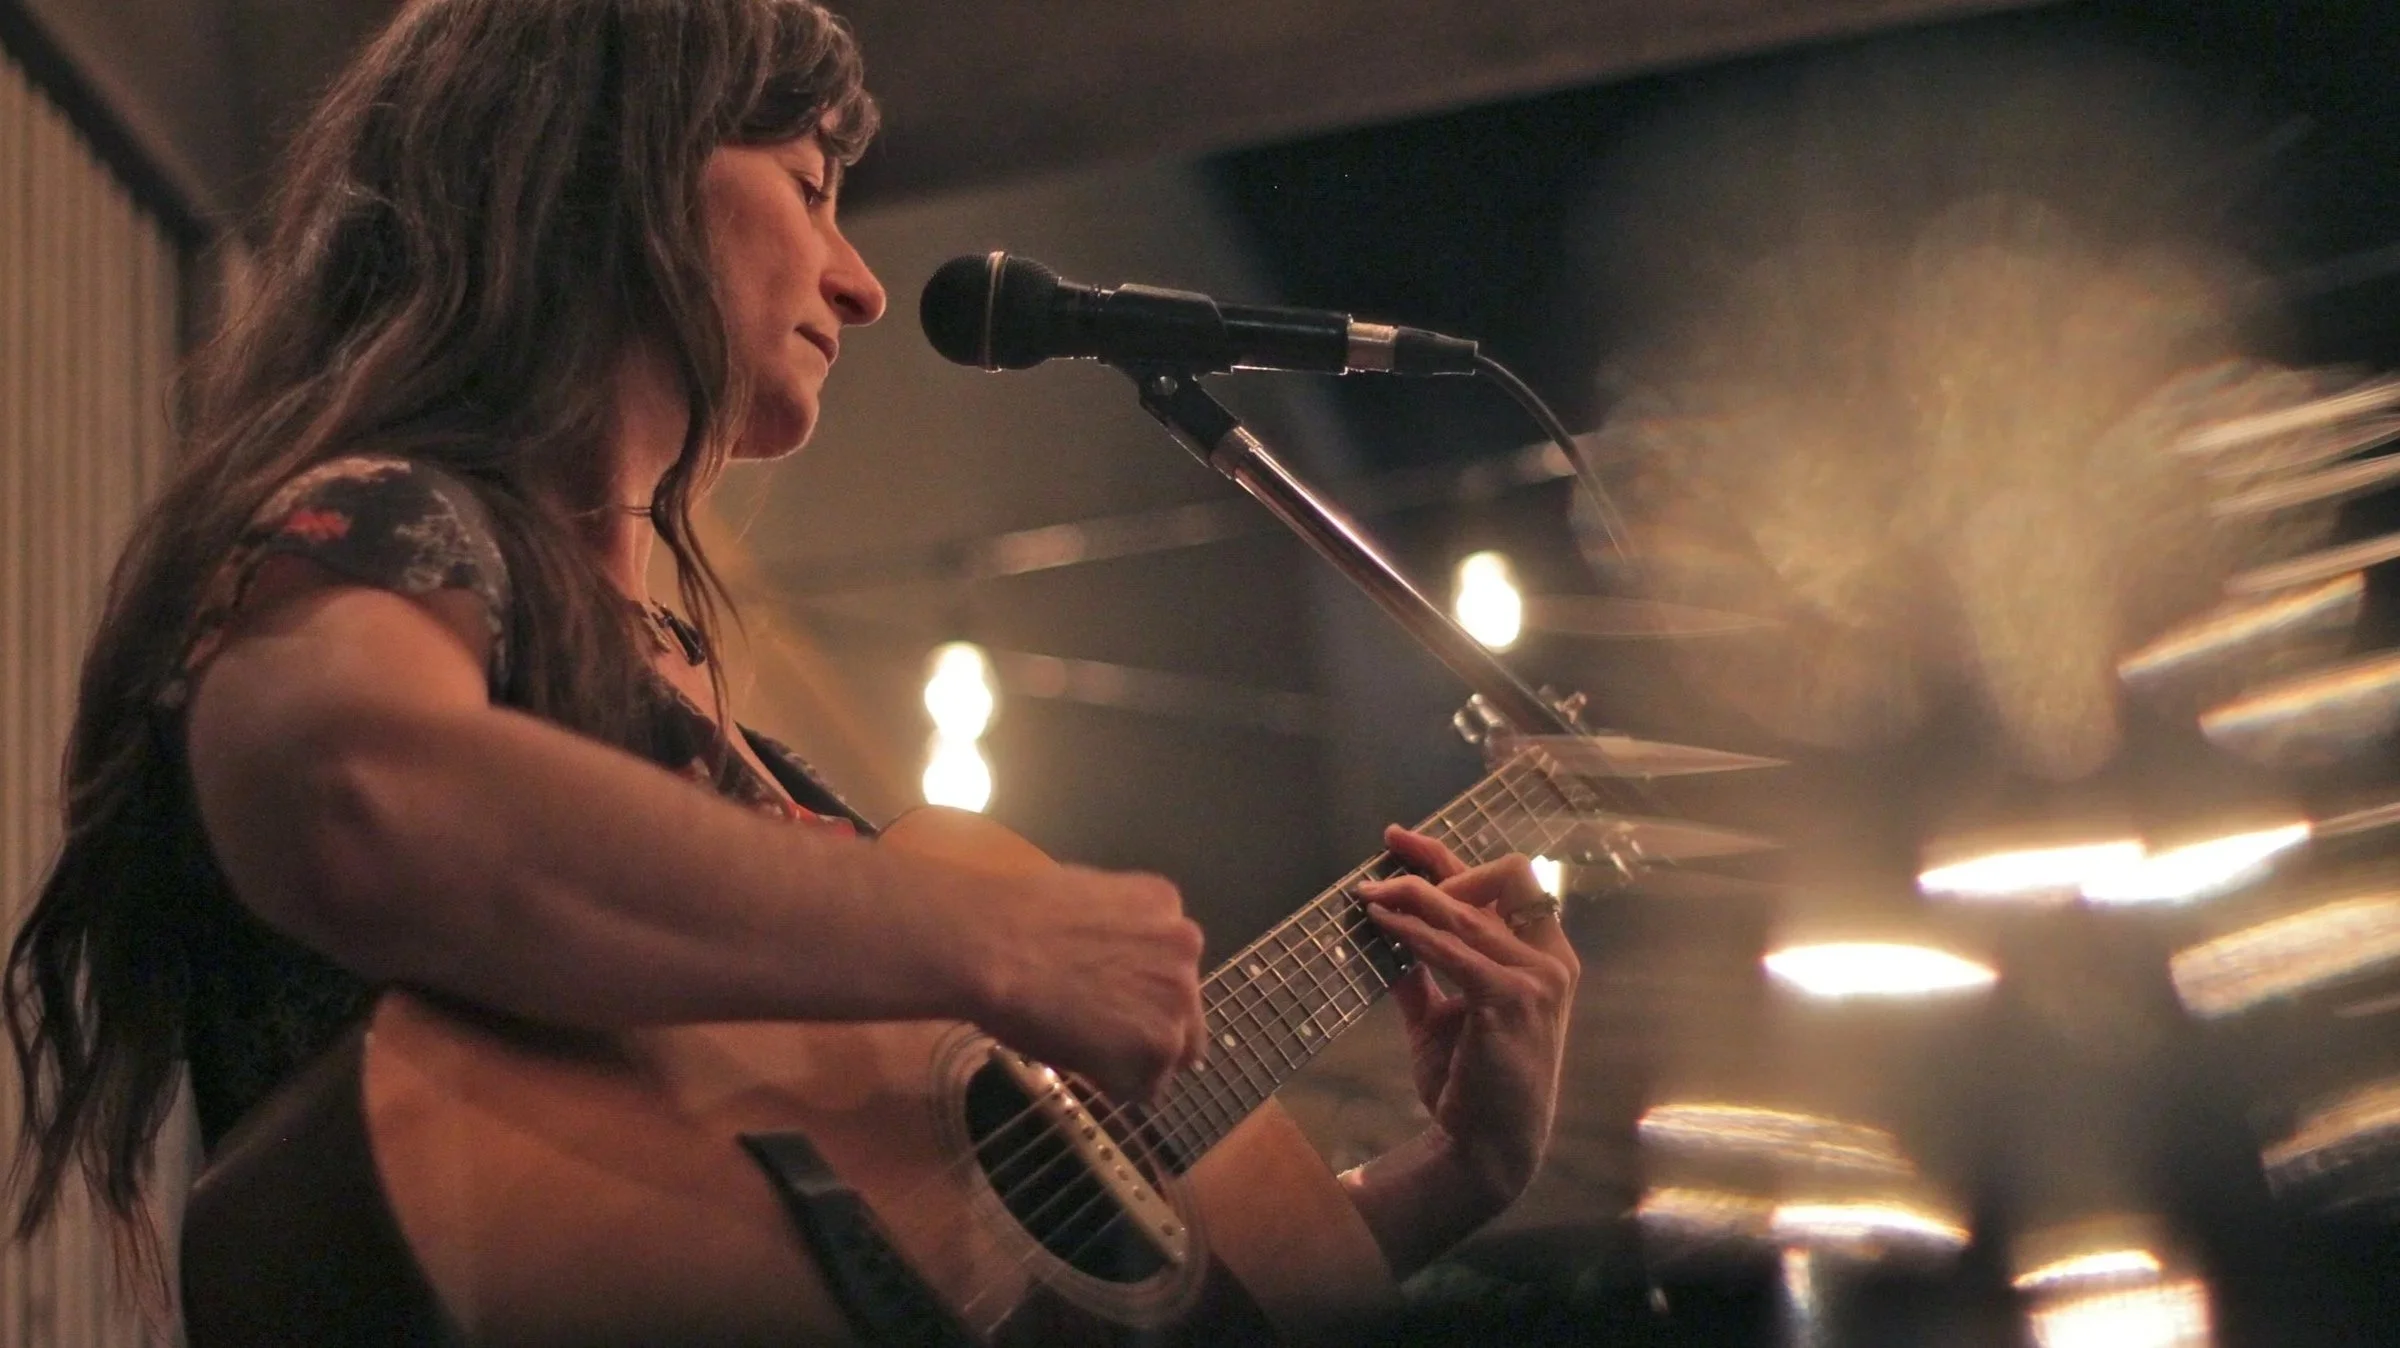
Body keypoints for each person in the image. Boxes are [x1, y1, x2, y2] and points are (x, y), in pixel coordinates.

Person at [5, 0, 1579, 1328]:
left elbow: (987, 1278)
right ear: (610, 163)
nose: (862, 279)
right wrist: (980, 937)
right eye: (810, 187)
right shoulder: (393, 523)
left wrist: (1455, 1179)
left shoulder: (724, 742)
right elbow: (357, 793)